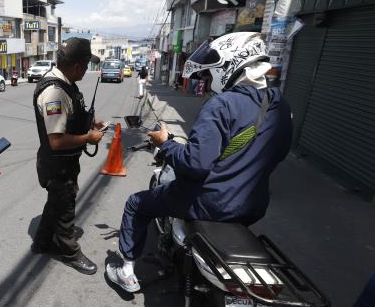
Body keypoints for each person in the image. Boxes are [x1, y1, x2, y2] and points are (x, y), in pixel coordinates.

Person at [105, 32, 293, 292]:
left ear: (230, 64)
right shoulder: (280, 106)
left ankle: (125, 272)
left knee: (136, 204)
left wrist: (166, 143)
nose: (208, 77)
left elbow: (196, 164)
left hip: (209, 202)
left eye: (211, 71)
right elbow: (278, 153)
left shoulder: (222, 104)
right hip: (251, 205)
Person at [31, 38, 105, 275]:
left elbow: (72, 113)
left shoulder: (67, 84)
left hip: (64, 162)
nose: (86, 70)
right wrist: (89, 138)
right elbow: (56, 140)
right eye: (85, 65)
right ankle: (70, 253)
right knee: (65, 208)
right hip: (57, 165)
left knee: (55, 202)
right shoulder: (55, 92)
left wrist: (90, 122)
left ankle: (41, 242)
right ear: (76, 66)